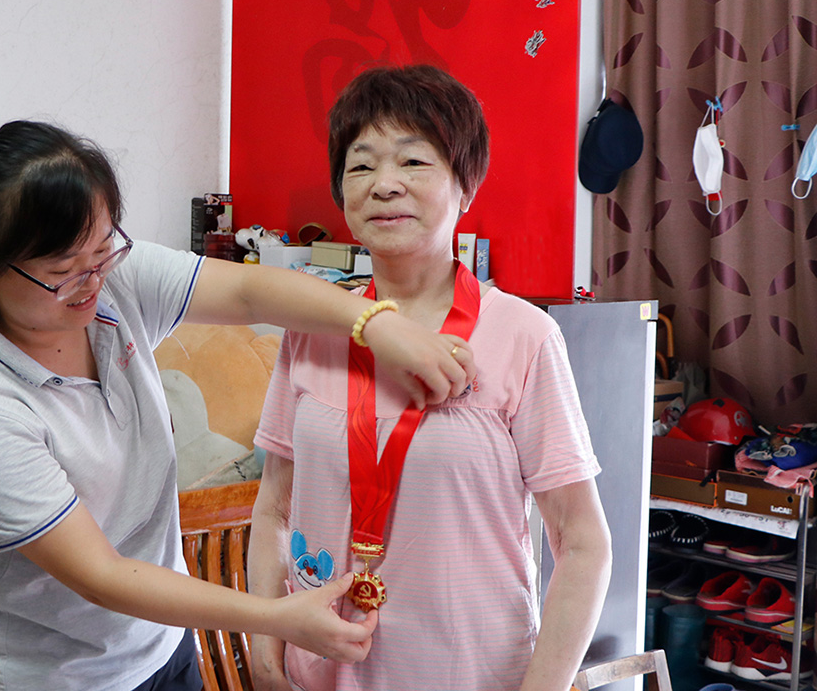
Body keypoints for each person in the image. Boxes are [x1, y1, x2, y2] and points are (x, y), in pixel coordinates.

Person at [0, 120, 475, 691]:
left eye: (104, 250)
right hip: (61, 676)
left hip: (165, 641)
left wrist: (374, 322)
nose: (92, 282)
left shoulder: (113, 282)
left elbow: (246, 291)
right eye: (62, 273)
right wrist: (275, 620)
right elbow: (103, 576)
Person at [247, 65, 612, 691]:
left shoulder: (523, 336)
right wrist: (265, 656)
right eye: (361, 166)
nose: (384, 184)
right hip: (318, 677)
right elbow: (274, 508)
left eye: (413, 161)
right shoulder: (312, 328)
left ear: (465, 186)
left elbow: (582, 542)